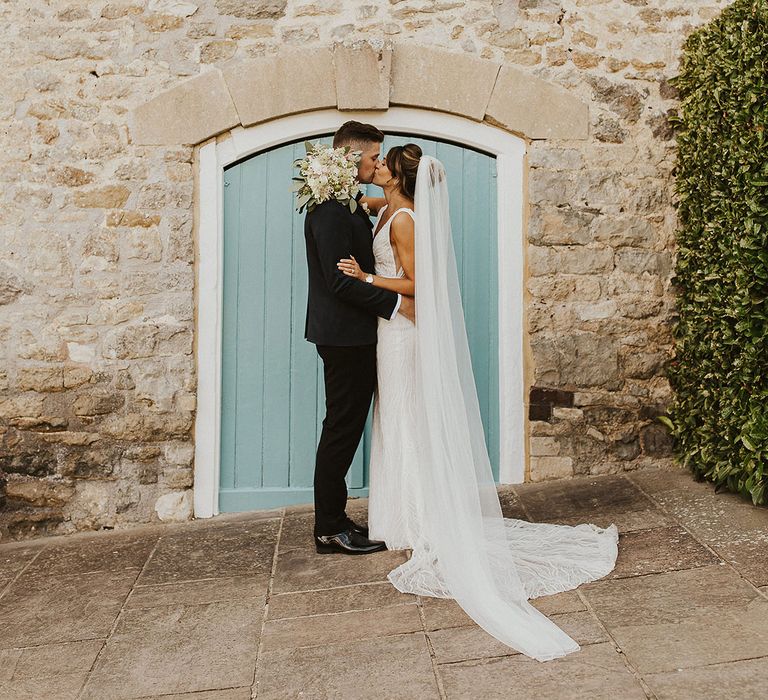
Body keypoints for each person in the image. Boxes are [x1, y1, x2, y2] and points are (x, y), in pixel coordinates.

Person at [337, 144, 620, 662]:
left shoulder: (404, 220)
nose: (372, 167)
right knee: (396, 418)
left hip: (401, 330)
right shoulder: (390, 209)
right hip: (390, 331)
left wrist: (365, 278)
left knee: (403, 419)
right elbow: (364, 205)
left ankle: (417, 521)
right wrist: (344, 195)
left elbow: (417, 284)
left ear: (398, 177)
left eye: (380, 164)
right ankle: (399, 516)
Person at [303, 121, 415, 555]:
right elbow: (339, 283)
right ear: (352, 157)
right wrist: (394, 307)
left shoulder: (346, 201)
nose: (377, 163)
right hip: (343, 337)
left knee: (346, 428)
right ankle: (329, 527)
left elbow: (382, 208)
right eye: (373, 157)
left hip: (355, 334)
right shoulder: (329, 211)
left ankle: (336, 517)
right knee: (341, 430)